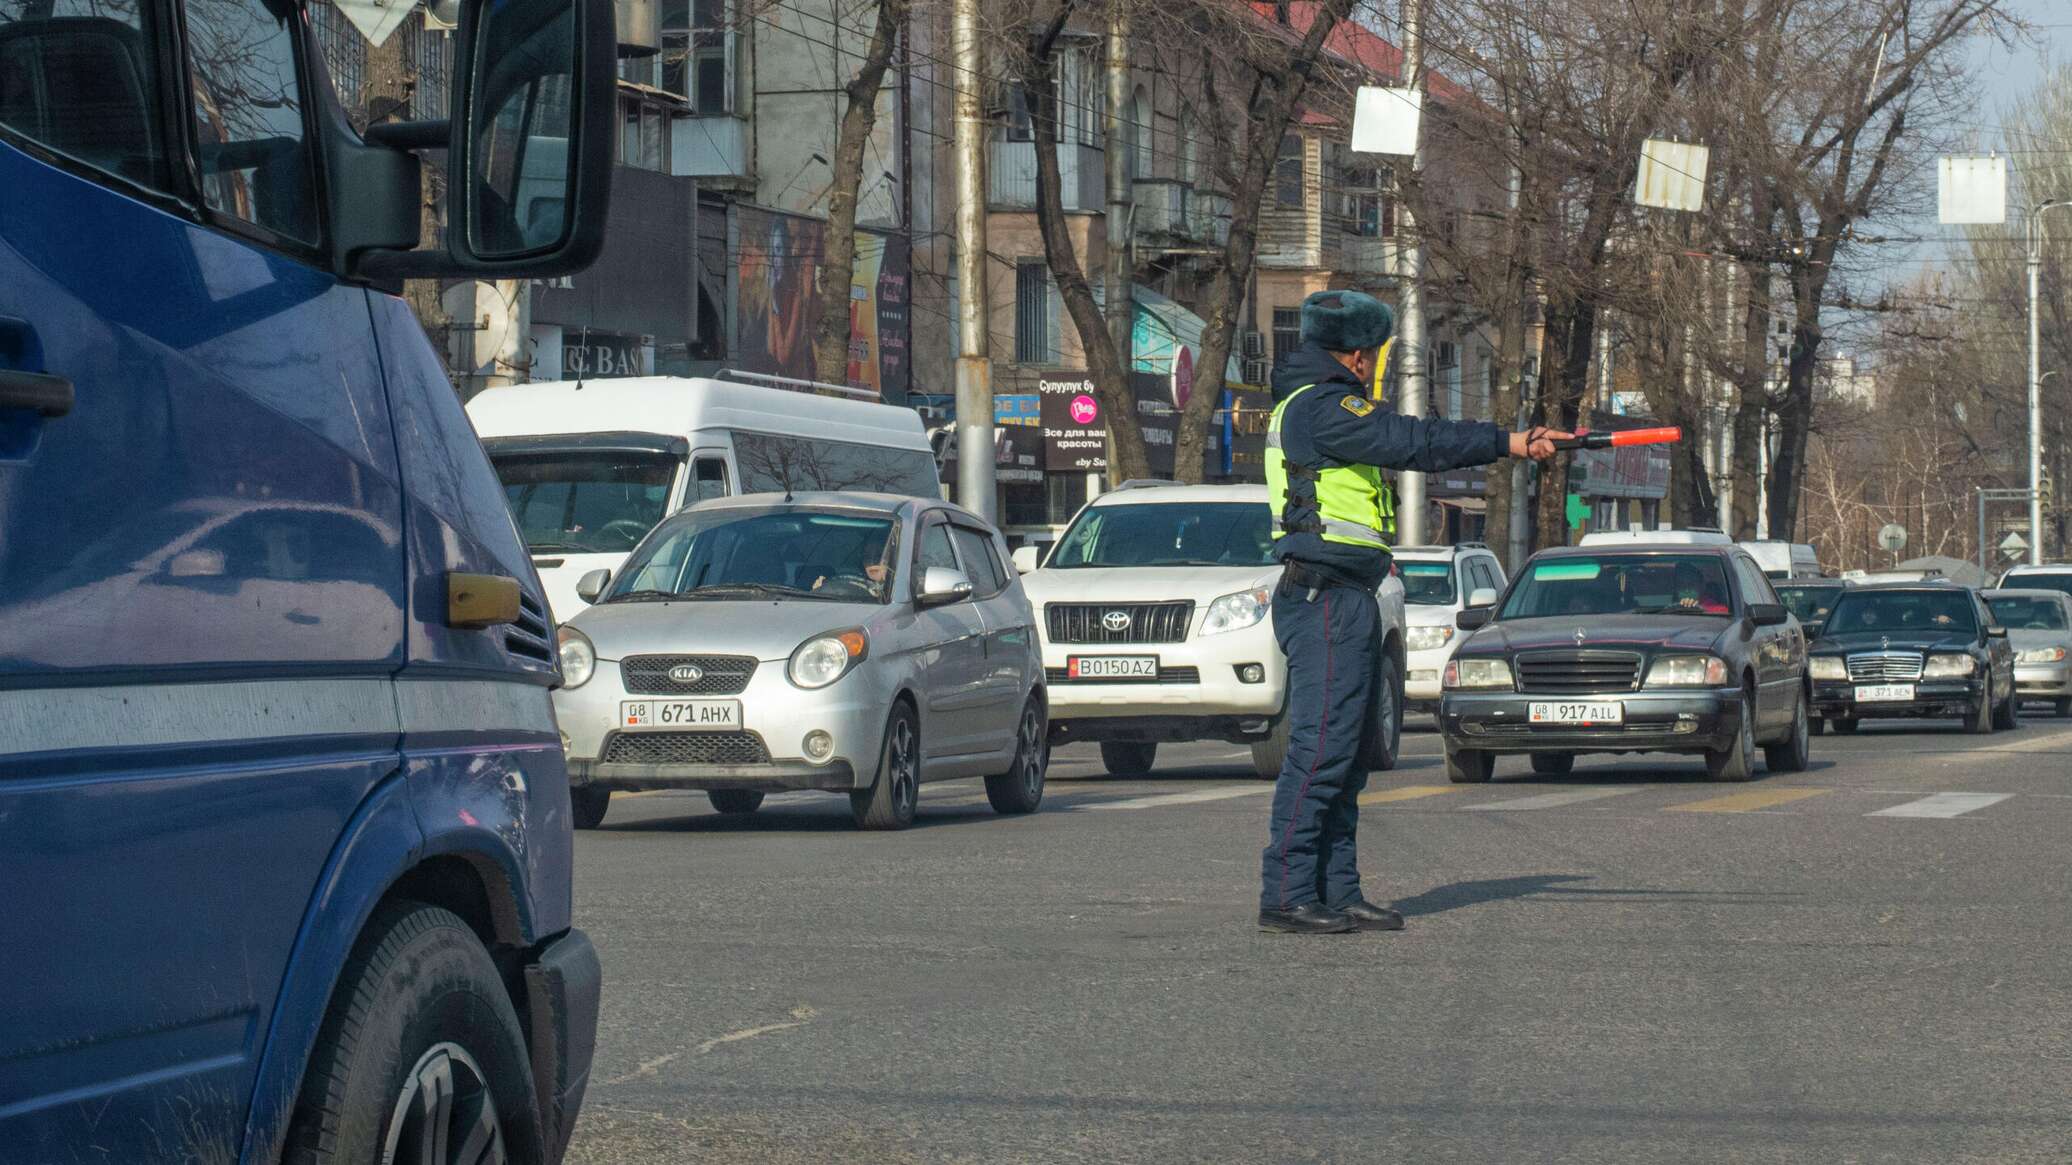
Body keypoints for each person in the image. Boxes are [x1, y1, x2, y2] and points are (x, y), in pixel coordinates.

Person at [1259, 289, 1567, 936]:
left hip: (1346, 595)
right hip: (1324, 597)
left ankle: (1338, 890)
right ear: (1358, 352)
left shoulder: (1314, 401)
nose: (1373, 366)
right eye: (1373, 354)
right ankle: (1287, 892)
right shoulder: (1325, 406)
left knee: (1346, 752)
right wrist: (1507, 441)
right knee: (1320, 750)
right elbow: (1411, 440)